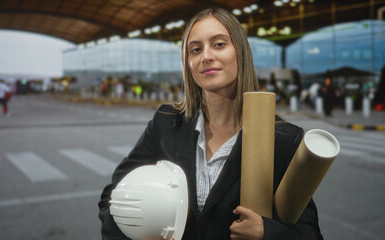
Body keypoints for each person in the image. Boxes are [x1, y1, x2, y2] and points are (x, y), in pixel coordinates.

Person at [99, 8, 323, 240]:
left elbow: (310, 234)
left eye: (218, 44)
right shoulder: (166, 123)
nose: (206, 56)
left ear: (241, 52)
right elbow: (111, 199)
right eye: (195, 49)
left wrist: (267, 233)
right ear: (188, 63)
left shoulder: (282, 138)